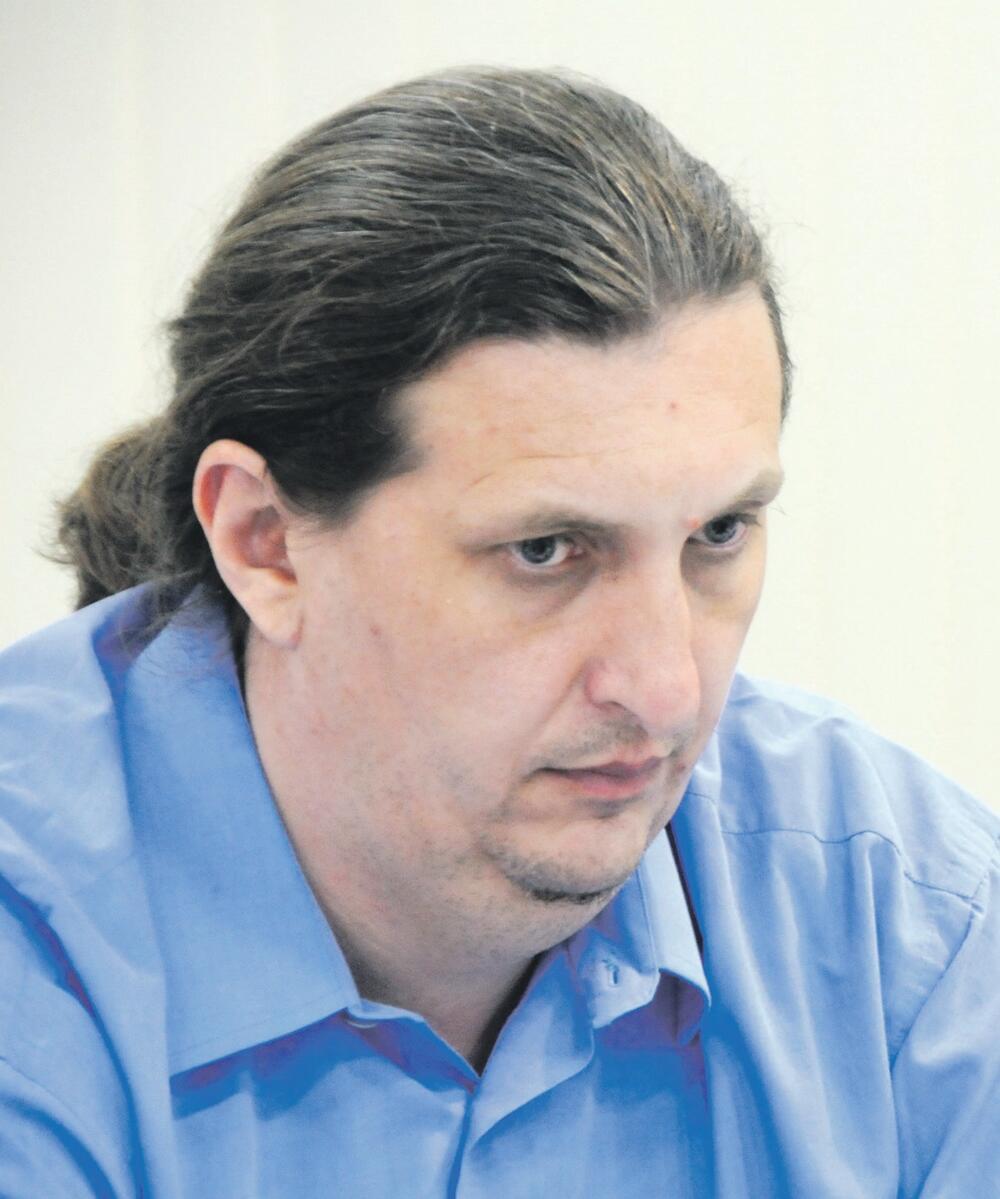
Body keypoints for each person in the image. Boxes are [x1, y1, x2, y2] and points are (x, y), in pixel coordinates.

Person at [0, 66, 996, 1198]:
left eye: (718, 532)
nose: (667, 691)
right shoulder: (33, 961)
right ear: (266, 541)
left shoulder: (911, 933)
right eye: (545, 550)